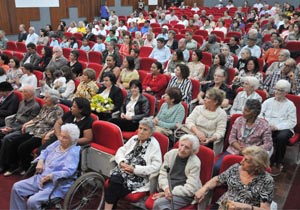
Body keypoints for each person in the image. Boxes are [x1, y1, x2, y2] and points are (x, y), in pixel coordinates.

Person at [10, 123, 81, 210]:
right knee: (17, 187)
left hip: (56, 185)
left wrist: (50, 176)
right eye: (61, 136)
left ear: (72, 140)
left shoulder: (73, 152)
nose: (61, 139)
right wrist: (40, 161)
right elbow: (45, 151)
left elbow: (68, 171)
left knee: (32, 201)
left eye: (65, 137)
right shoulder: (57, 143)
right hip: (41, 177)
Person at [104, 117, 162, 210]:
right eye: (140, 128)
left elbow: (156, 166)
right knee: (115, 183)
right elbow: (121, 150)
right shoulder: (134, 138)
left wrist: (134, 169)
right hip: (123, 169)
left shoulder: (154, 145)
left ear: (151, 132)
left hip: (138, 176)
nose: (141, 132)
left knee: (114, 183)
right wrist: (122, 161)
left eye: (145, 129)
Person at [3, 90, 64, 176]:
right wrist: (27, 124)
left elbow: (57, 126)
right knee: (14, 142)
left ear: (53, 99)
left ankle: (26, 167)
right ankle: (14, 166)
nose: (44, 99)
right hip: (34, 130)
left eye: (47, 97)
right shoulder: (45, 106)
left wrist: (48, 134)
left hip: (43, 134)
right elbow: (38, 118)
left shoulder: (58, 111)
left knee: (22, 147)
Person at [195, 146, 274, 210]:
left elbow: (265, 209)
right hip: (224, 206)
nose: (241, 162)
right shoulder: (236, 168)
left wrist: (246, 206)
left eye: (246, 160)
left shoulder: (267, 180)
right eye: (243, 158)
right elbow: (217, 180)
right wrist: (203, 189)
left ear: (257, 165)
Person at [214, 100, 273, 175]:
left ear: (254, 113)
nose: (243, 112)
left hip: (252, 155)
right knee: (216, 167)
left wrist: (251, 150)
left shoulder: (264, 125)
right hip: (234, 150)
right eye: (244, 109)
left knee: (244, 174)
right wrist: (241, 149)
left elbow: (268, 144)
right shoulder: (239, 120)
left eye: (246, 111)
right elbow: (231, 138)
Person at [152, 134, 201, 210]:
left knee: (159, 204)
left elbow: (191, 188)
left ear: (193, 151)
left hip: (184, 194)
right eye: (181, 145)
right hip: (168, 189)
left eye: (187, 147)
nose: (182, 149)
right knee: (161, 204)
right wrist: (166, 188)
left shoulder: (195, 163)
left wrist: (170, 192)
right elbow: (163, 174)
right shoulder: (170, 154)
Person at [0, 86, 40, 173]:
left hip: (22, 128)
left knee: (7, 138)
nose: (21, 94)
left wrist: (11, 129)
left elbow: (29, 123)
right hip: (14, 124)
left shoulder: (35, 106)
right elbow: (16, 116)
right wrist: (8, 126)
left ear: (29, 94)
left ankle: (5, 165)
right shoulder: (22, 102)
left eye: (23, 92)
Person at [260, 80, 296, 176]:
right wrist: (266, 123)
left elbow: (292, 122)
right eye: (276, 89)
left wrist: (277, 127)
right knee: (262, 132)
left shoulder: (290, 105)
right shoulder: (268, 101)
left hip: (284, 128)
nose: (277, 92)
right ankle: (263, 160)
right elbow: (260, 114)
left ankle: (278, 161)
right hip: (267, 125)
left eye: (280, 90)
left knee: (281, 137)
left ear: (286, 92)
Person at [186, 88, 227, 155]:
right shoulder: (198, 108)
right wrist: (198, 132)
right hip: (193, 134)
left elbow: (220, 132)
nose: (204, 99)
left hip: (209, 141)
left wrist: (209, 139)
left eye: (207, 98)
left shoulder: (222, 114)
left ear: (215, 102)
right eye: (205, 97)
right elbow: (189, 121)